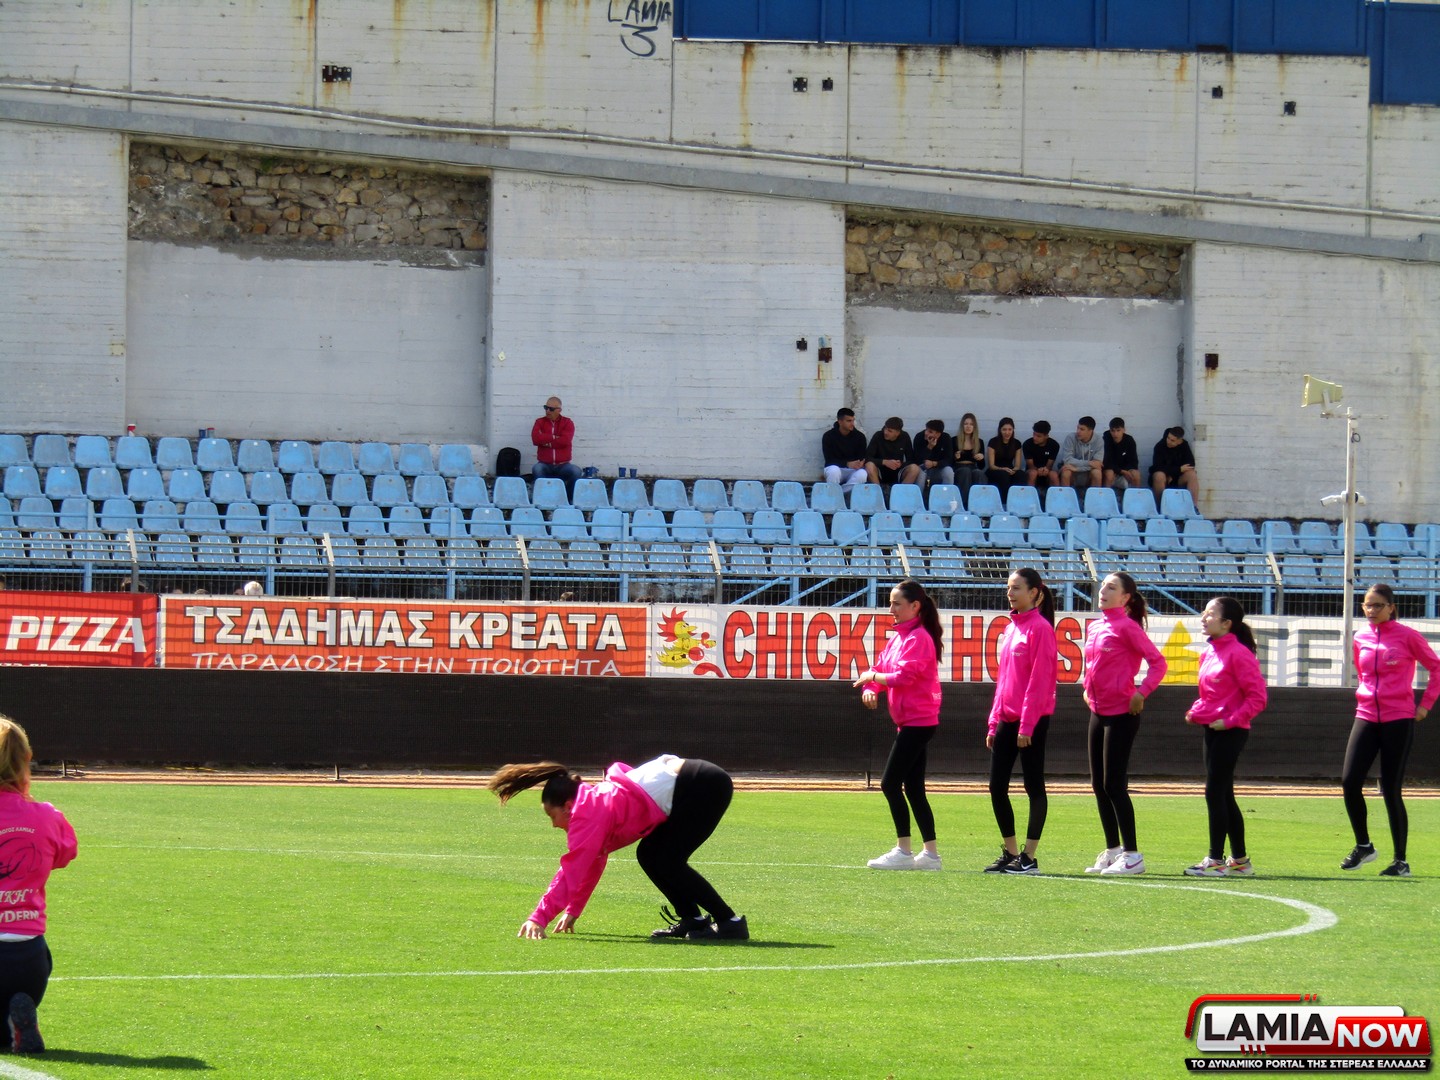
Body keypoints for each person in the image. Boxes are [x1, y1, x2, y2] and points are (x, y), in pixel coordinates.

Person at [487, 756, 748, 941]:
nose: (554, 825)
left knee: (666, 859)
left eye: (551, 816)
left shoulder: (587, 813)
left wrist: (539, 917)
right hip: (698, 781)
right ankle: (694, 920)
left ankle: (729, 922)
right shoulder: (591, 804)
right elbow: (592, 863)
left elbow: (572, 871)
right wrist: (574, 909)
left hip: (702, 785)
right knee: (650, 855)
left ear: (567, 806)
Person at [1339, 583, 1440, 878]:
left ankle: (1400, 861)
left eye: (1377, 605)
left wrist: (1425, 705)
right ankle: (1364, 846)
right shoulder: (1361, 636)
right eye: (1367, 605)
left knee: (1391, 789)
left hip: (1399, 718)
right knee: (1349, 781)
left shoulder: (1408, 636)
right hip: (1366, 715)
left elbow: (1436, 668)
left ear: (1391, 608)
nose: (1371, 610)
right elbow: (1363, 674)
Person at [853, 580, 945, 871]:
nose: (890, 609)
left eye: (896, 603)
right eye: (890, 603)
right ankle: (930, 856)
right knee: (914, 789)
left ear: (915, 606)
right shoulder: (900, 638)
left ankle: (904, 851)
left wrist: (871, 678)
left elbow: (902, 677)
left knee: (890, 784)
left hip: (918, 721)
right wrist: (871, 687)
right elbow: (882, 669)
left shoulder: (918, 638)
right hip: (911, 721)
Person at [0, 714, 78, 1055]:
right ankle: (17, 1018)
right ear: (26, 760)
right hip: (29, 960)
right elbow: (64, 854)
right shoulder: (47, 815)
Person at [1081, 573, 1168, 876]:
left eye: (1112, 587)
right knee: (1099, 785)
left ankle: (1133, 855)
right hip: (1098, 711)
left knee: (1114, 785)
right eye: (1103, 585)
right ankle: (1113, 850)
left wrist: (1142, 693)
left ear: (1126, 598)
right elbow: (1093, 667)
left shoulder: (1128, 627)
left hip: (1121, 713)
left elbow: (1158, 663)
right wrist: (1086, 689)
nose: (1103, 591)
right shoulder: (1095, 627)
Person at [1183, 597, 1267, 877]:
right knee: (1224, 795)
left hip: (1232, 731)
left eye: (1210, 614)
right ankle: (1240, 861)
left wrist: (1230, 721)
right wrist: (1196, 711)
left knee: (1214, 792)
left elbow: (1257, 698)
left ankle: (1215, 860)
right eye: (1204, 613)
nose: (1203, 618)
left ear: (1227, 623)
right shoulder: (1209, 652)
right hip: (1213, 730)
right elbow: (1210, 696)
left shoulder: (1240, 654)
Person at [984, 568, 1058, 875]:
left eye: (1016, 588)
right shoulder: (1012, 628)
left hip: (1032, 720)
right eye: (1008, 587)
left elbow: (1039, 681)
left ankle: (1029, 857)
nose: (1010, 593)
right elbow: (1004, 681)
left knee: (1033, 785)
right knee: (996, 786)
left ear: (1034, 592)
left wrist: (1027, 725)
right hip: (1007, 718)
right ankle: (1011, 852)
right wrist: (994, 722)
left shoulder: (1041, 629)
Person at [531, 396, 582, 499]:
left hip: (563, 465)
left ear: (559, 410)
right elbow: (536, 439)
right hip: (544, 464)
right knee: (537, 469)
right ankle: (543, 498)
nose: (547, 411)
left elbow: (565, 441)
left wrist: (546, 441)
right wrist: (555, 438)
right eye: (546, 407)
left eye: (551, 409)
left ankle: (567, 498)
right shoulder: (539, 422)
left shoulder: (567, 422)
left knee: (576, 471)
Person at [822, 407, 869, 493]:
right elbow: (829, 460)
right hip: (836, 468)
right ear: (840, 421)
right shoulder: (828, 436)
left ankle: (841, 493)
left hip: (852, 470)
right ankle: (834, 495)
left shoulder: (860, 437)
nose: (852, 424)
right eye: (849, 421)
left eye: (853, 420)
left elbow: (862, 456)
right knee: (833, 471)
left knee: (862, 474)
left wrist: (860, 463)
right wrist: (847, 463)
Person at [865, 417, 920, 489]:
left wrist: (900, 464)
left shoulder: (904, 436)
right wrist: (885, 462)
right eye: (885, 428)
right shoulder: (878, 435)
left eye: (889, 431)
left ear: (897, 433)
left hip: (898, 471)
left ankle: (900, 493)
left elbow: (911, 459)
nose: (885, 432)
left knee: (915, 469)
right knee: (869, 465)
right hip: (880, 471)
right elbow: (867, 458)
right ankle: (878, 492)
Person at [1150, 426, 1199, 503]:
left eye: (1172, 440)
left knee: (1192, 474)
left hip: (1177, 478)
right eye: (1168, 438)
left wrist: (1172, 474)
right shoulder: (1160, 446)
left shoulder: (1184, 446)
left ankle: (1193, 506)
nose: (1168, 441)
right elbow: (1157, 467)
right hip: (1164, 478)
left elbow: (1190, 464)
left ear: (1180, 441)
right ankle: (1160, 505)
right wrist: (1178, 470)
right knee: (1159, 476)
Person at [1058, 416, 1103, 491]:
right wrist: (1089, 463)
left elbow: (1097, 464)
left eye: (1082, 429)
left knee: (1097, 473)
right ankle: (1066, 497)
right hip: (1072, 472)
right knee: (1066, 471)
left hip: (1087, 472)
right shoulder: (1070, 438)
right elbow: (1067, 460)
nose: (1078, 431)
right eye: (1078, 428)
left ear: (1090, 431)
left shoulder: (1099, 441)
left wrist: (1077, 469)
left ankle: (1094, 497)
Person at [985, 417, 1025, 500]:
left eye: (1010, 429)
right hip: (996, 469)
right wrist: (1002, 469)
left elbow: (1017, 465)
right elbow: (991, 465)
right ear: (1000, 430)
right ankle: (1004, 501)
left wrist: (1013, 470)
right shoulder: (993, 442)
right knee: (1003, 475)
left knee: (1020, 474)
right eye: (1004, 429)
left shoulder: (1017, 443)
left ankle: (1018, 500)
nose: (1007, 432)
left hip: (1010, 469)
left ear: (1013, 430)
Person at [912, 420, 955, 492]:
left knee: (948, 472)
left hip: (939, 468)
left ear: (938, 434)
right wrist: (929, 447)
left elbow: (949, 459)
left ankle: (946, 495)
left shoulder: (946, 438)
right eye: (926, 430)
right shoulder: (919, 437)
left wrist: (934, 463)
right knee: (920, 473)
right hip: (923, 468)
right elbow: (917, 459)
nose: (926, 433)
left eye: (930, 432)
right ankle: (918, 497)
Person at [952, 412, 986, 501]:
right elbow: (949, 462)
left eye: (971, 424)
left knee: (979, 473)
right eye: (966, 424)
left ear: (974, 427)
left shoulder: (979, 442)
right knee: (965, 471)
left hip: (973, 466)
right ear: (962, 426)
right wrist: (955, 457)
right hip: (959, 467)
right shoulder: (954, 440)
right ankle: (965, 502)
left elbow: (982, 466)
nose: (968, 426)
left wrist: (981, 458)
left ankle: (979, 501)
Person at [1102, 417, 1141, 492]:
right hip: (1111, 470)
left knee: (1136, 474)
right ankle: (1105, 496)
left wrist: (1126, 471)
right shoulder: (1105, 440)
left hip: (1125, 470)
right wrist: (1120, 471)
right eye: (1112, 431)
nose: (1115, 434)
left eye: (1118, 430)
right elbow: (1106, 461)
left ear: (1124, 430)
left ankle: (1135, 497)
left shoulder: (1129, 440)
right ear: (1110, 430)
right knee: (1109, 473)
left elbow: (1134, 462)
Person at [1021, 421, 1059, 495]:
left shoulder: (1054, 445)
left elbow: (1049, 465)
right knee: (1033, 473)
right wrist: (1038, 470)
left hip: (1047, 471)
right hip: (1032, 470)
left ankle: (1056, 497)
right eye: (1034, 434)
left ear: (1046, 436)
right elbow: (1030, 465)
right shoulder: (1027, 444)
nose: (1035, 438)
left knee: (1054, 475)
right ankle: (1029, 496)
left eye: (1038, 436)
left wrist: (1045, 469)